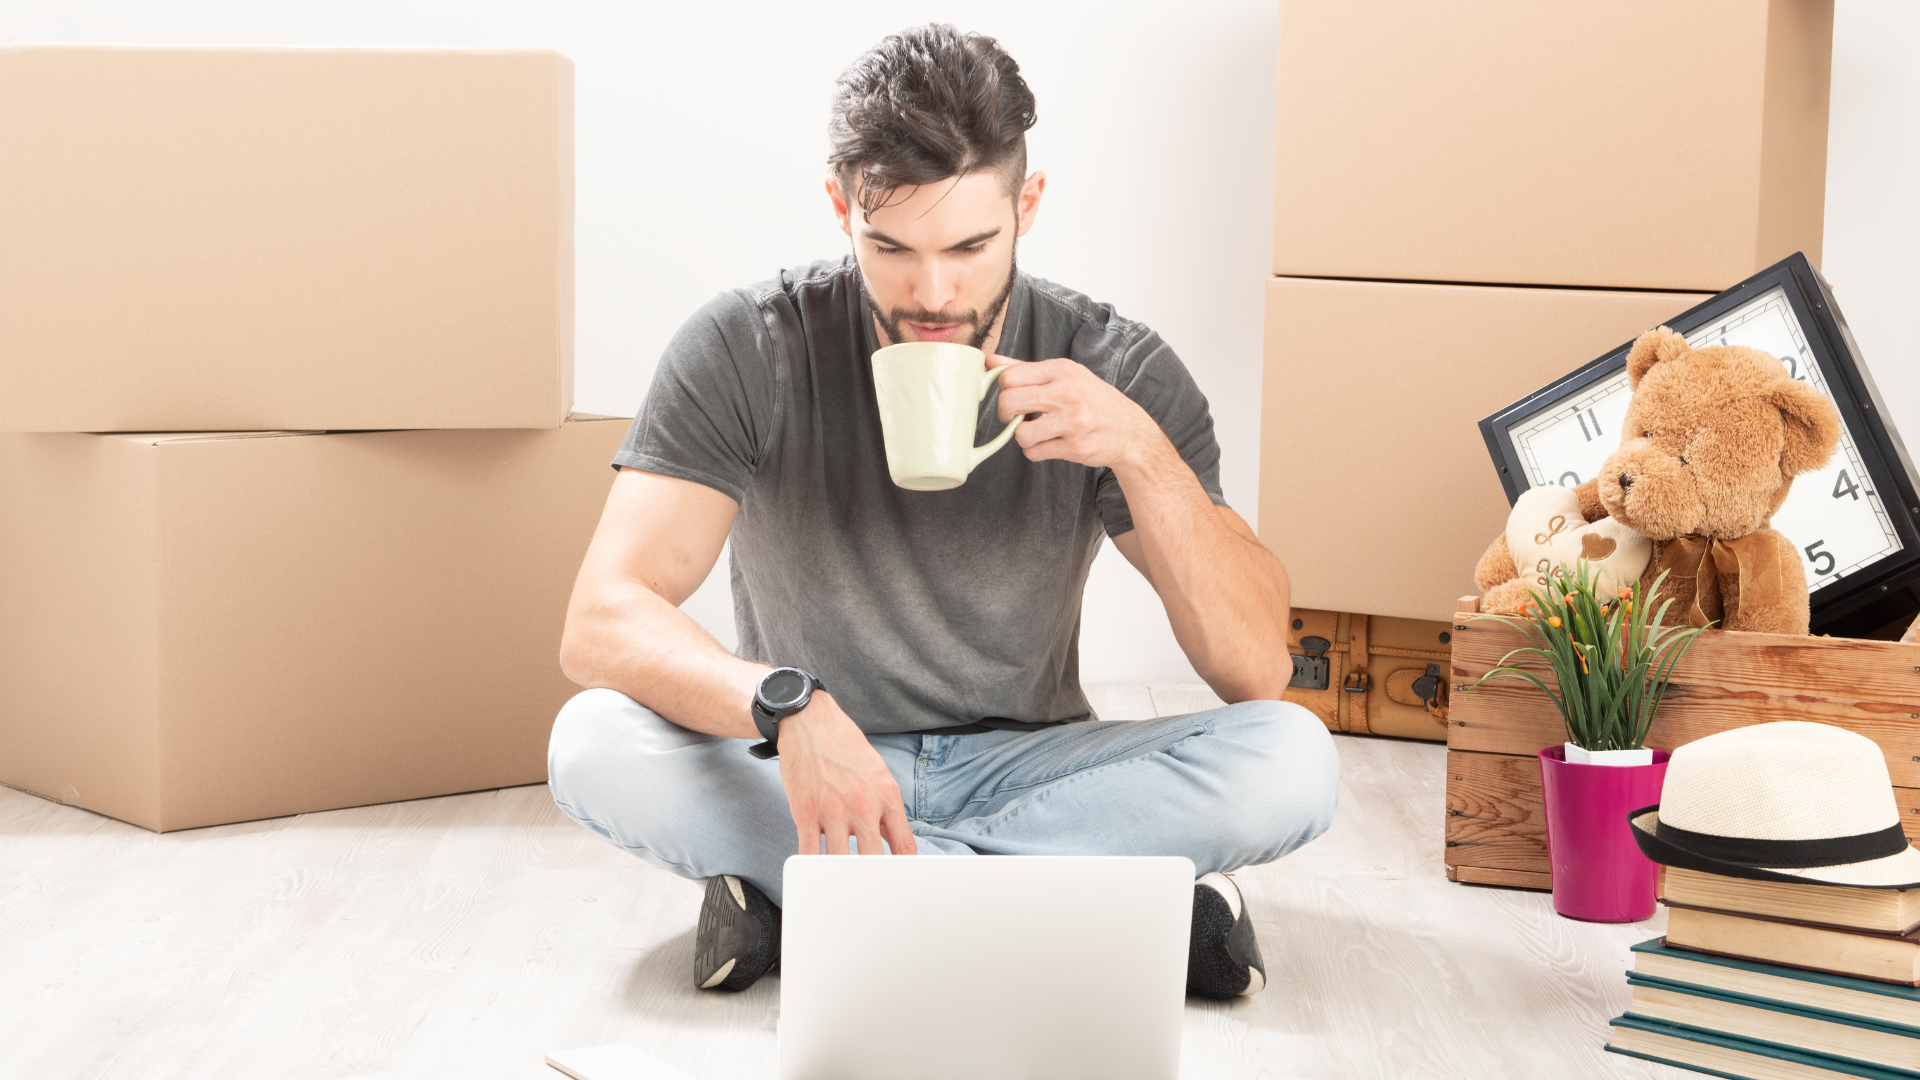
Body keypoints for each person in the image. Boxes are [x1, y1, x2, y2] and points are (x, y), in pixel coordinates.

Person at [547, 23, 1339, 999]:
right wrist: (789, 708)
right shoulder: (748, 347)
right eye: (891, 247)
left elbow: (1257, 668)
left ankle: (831, 898)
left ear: (1026, 205)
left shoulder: (1113, 363)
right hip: (810, 766)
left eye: (970, 246)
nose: (933, 293)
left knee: (1293, 758)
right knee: (592, 741)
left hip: (1039, 768)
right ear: (841, 206)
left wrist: (1142, 452)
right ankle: (1087, 908)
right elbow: (603, 618)